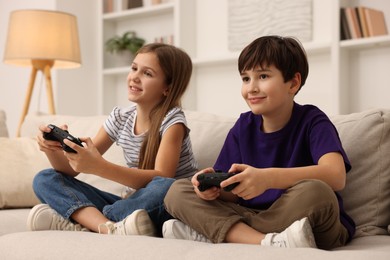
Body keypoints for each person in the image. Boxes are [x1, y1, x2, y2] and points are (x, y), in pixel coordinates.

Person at [163, 36, 356, 249]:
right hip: (256, 216)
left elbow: (336, 176)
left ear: (293, 83)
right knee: (177, 191)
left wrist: (267, 178)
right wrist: (211, 189)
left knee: (317, 192)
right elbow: (231, 196)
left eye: (263, 76)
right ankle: (267, 241)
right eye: (245, 79)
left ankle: (223, 232)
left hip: (307, 221)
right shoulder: (243, 126)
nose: (251, 88)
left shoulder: (313, 121)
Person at [27, 43, 198, 236]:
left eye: (147, 73)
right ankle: (109, 227)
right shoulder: (120, 117)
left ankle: (87, 221)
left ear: (168, 87)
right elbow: (70, 171)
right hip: (129, 206)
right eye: (134, 68)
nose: (134, 77)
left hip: (164, 205)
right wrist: (53, 149)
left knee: (166, 187)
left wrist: (100, 167)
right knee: (45, 178)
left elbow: (162, 177)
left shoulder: (173, 122)